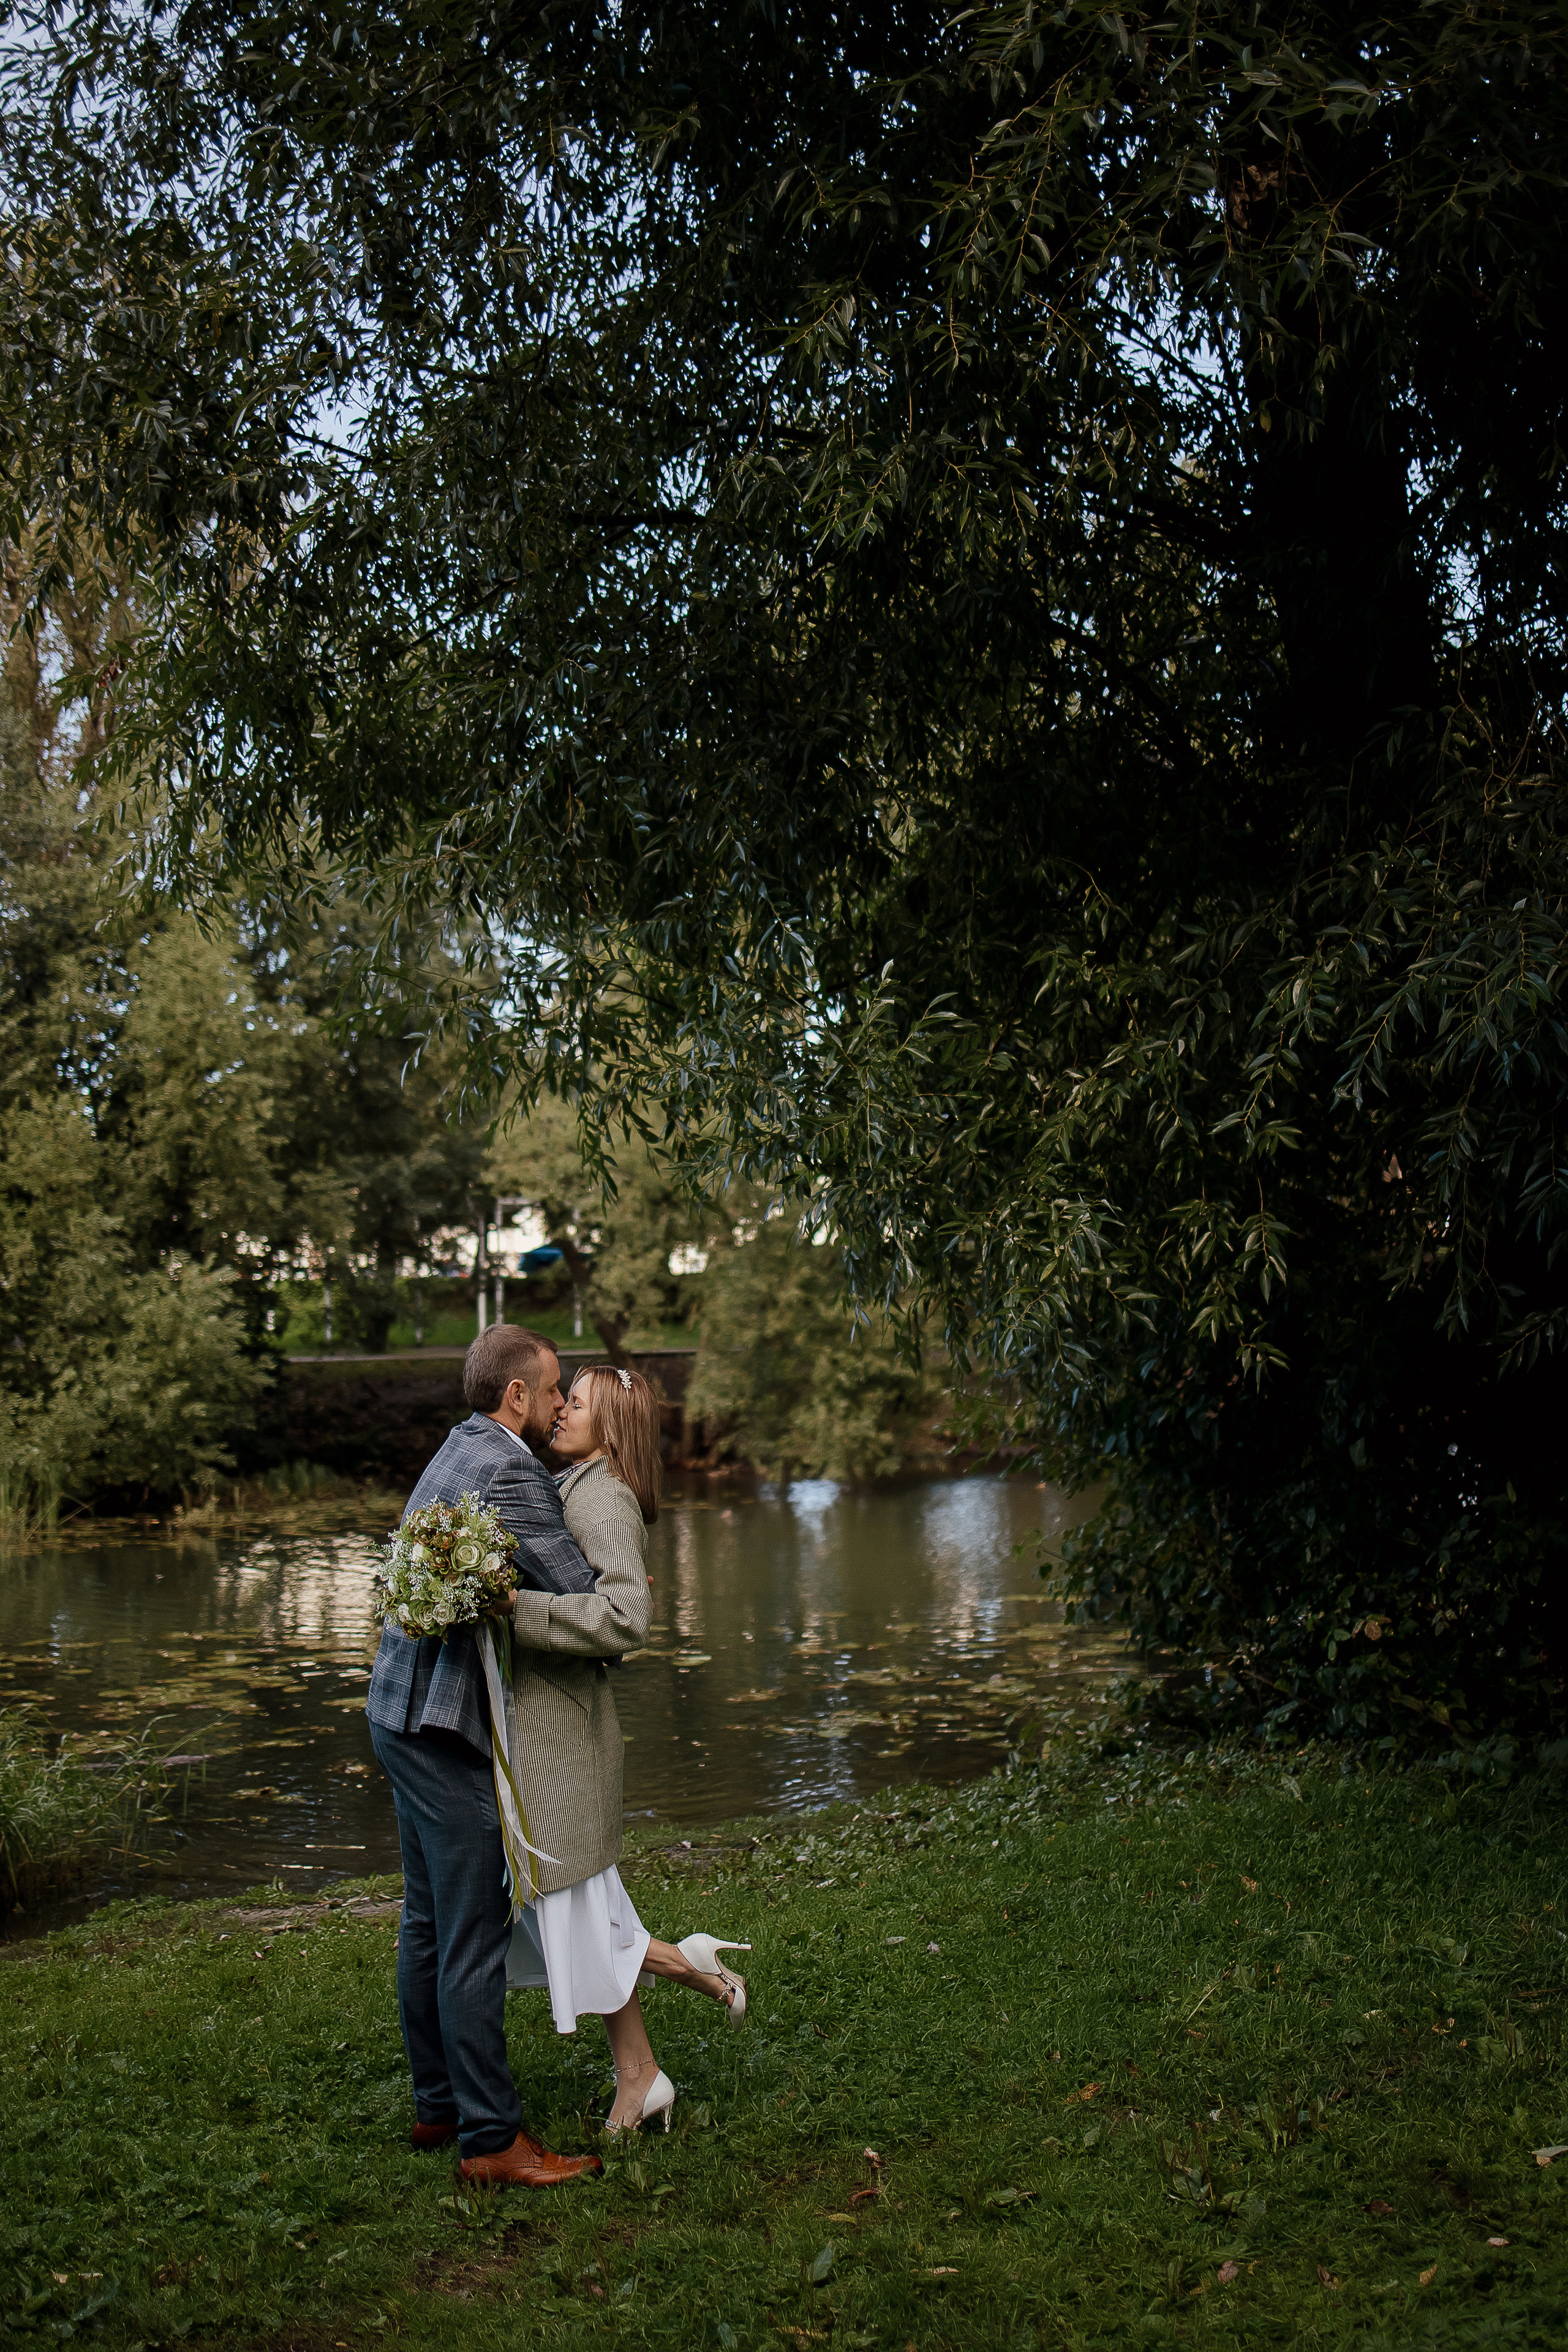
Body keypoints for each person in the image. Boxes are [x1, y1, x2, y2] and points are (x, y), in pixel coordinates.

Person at [365, 1322, 609, 2188]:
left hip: (393, 1713)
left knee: (427, 1922)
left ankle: (439, 2105)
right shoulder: (511, 1467)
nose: (556, 1408)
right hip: (440, 1727)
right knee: (471, 1932)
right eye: (551, 1393)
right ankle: (491, 2141)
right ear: (516, 1395)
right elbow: (583, 1599)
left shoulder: (460, 1445)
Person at [505, 1363, 752, 2135]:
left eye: (574, 1404)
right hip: (547, 1729)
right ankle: (659, 2037)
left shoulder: (605, 1497)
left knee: (567, 1906)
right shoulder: (578, 1486)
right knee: (575, 1905)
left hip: (564, 1736)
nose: (559, 1412)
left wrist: (516, 1610)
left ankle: (652, 2050)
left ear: (608, 1427)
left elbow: (626, 1616)